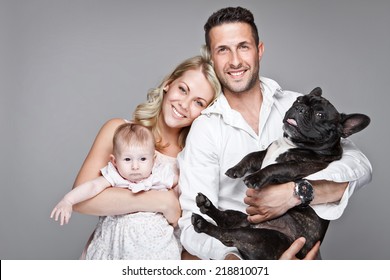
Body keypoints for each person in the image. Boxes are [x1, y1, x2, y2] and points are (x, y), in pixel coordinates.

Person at [178, 6, 372, 260]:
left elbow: (361, 168)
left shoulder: (296, 106)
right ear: (212, 59)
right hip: (242, 256)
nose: (235, 61)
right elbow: (192, 220)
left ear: (259, 50)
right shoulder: (206, 128)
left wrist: (296, 193)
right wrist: (235, 264)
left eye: (243, 46)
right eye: (223, 50)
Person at [70, 54, 221, 259]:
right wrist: (160, 201)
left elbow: (190, 231)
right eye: (183, 89)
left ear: (206, 112)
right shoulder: (117, 131)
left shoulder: (194, 159)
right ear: (168, 84)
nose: (184, 104)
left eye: (198, 102)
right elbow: (80, 200)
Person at [51, 123, 181, 259]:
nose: (135, 166)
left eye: (143, 159)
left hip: (155, 248)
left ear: (153, 160)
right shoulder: (115, 176)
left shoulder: (159, 176)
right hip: (116, 246)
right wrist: (68, 200)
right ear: (114, 161)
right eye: (127, 159)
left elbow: (184, 189)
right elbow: (92, 186)